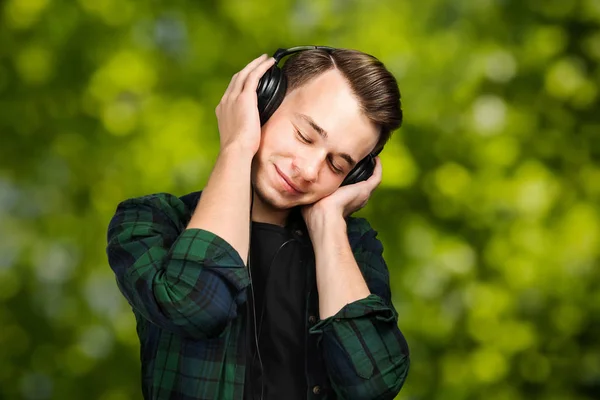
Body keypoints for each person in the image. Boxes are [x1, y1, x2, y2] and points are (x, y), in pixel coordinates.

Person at [106, 46, 410, 400]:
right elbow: (195, 306)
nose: (310, 170)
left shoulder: (353, 248)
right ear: (262, 101)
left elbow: (372, 386)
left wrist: (328, 224)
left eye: (337, 166)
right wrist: (236, 145)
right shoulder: (151, 222)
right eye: (305, 136)